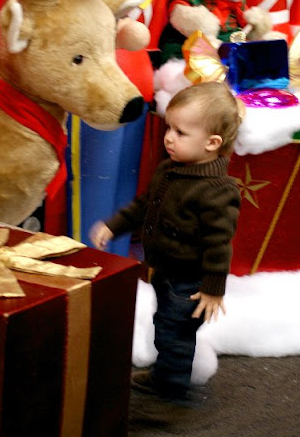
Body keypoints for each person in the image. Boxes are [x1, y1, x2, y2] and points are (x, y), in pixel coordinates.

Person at [90, 81, 242, 413]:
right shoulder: (169, 171)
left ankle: (171, 394)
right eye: (168, 128)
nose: (169, 138)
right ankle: (166, 375)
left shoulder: (217, 191)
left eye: (181, 132)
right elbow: (143, 205)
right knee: (165, 326)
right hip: (165, 272)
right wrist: (114, 225)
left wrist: (213, 289)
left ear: (212, 143)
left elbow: (219, 245)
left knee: (175, 333)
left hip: (190, 282)